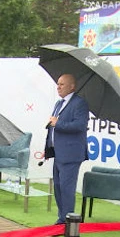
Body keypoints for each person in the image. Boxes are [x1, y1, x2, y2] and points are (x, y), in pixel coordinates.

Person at [45, 73, 89, 225]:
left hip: (70, 155)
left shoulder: (79, 103)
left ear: (72, 86)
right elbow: (53, 127)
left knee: (66, 189)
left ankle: (69, 223)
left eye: (62, 84)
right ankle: (62, 219)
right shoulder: (59, 103)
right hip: (58, 153)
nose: (58, 87)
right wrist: (49, 146)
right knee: (58, 187)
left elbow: (80, 126)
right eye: (58, 84)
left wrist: (58, 124)